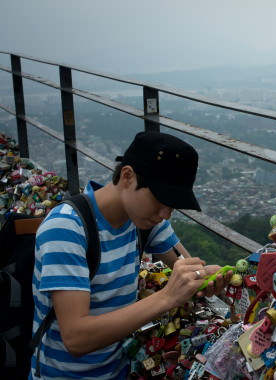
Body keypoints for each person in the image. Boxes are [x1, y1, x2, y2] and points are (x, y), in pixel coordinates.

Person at [30, 131, 233, 379]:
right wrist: (168, 296)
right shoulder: (67, 228)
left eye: (172, 205)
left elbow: (187, 268)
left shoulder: (145, 222)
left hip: (121, 371)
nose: (166, 214)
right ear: (127, 176)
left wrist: (205, 281)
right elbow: (76, 338)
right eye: (161, 200)